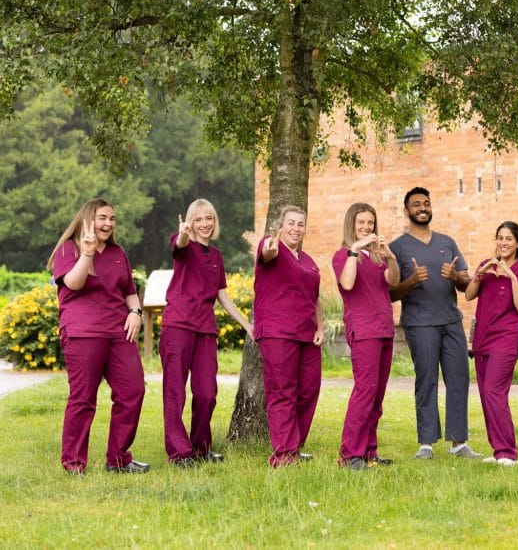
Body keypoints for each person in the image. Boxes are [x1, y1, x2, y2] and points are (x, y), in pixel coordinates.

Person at [48, 198, 148, 475]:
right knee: (83, 398)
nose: (108, 223)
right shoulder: (69, 249)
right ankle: (73, 463)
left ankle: (118, 459)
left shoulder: (118, 253)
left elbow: (129, 291)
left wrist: (135, 312)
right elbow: (74, 283)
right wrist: (87, 253)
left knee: (133, 391)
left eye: (112, 219)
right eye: (102, 218)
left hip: (119, 331)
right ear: (88, 219)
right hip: (83, 332)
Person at [390, 187, 481, 459]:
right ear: (406, 211)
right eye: (416, 204)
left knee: (459, 379)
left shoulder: (447, 242)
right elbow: (390, 293)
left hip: (451, 321)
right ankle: (426, 444)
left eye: (426, 203)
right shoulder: (397, 247)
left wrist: (455, 276)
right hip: (420, 324)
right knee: (426, 380)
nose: (422, 208)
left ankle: (459, 443)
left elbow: (467, 284)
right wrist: (411, 281)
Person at [160, 199, 251, 468]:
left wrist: (246, 325)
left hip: (205, 329)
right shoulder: (183, 245)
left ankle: (201, 448)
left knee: (206, 393)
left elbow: (222, 295)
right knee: (175, 391)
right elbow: (179, 245)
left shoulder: (217, 257)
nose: (204, 224)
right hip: (178, 325)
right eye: (198, 219)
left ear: (215, 221)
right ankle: (179, 453)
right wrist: (183, 234)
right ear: (190, 222)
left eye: (208, 218)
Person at [253, 206, 325, 468]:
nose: (296, 228)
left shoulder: (308, 260)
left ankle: (295, 445)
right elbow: (267, 253)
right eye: (291, 223)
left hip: (307, 334)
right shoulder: (272, 246)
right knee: (282, 391)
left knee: (309, 389)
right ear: (281, 226)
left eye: (300, 224)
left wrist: (320, 327)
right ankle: (284, 453)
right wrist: (270, 247)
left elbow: (314, 298)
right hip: (278, 332)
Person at [332, 203, 400, 470]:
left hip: (384, 328)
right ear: (351, 224)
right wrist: (355, 249)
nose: (366, 227)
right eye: (361, 222)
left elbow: (393, 281)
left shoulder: (377, 256)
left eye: (370, 222)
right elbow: (347, 284)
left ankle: (370, 452)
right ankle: (350, 454)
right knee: (365, 392)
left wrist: (390, 257)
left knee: (377, 395)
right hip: (364, 331)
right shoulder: (344, 255)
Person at [464, 221, 518, 466]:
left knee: (494, 392)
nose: (504, 243)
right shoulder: (487, 265)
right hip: (482, 338)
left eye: (509, 239)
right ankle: (498, 450)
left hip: (506, 339)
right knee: (486, 395)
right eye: (500, 238)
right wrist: (480, 274)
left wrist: (512, 277)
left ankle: (508, 452)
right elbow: (469, 295)